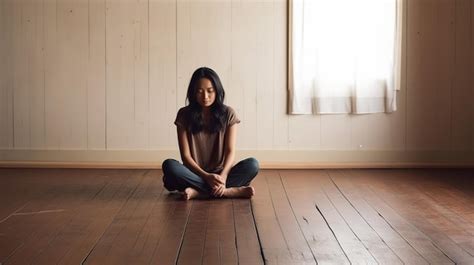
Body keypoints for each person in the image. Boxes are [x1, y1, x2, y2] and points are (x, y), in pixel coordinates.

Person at [162, 67, 259, 200]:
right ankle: (226, 192)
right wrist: (206, 177)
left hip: (221, 173)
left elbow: (230, 151)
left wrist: (223, 177)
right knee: (169, 166)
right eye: (199, 91)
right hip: (195, 173)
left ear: (217, 90)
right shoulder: (184, 114)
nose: (205, 96)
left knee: (252, 165)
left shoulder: (228, 113)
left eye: (210, 91)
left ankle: (199, 193)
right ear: (193, 92)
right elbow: (185, 156)